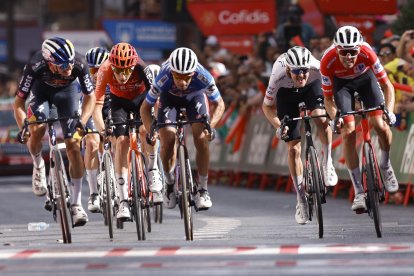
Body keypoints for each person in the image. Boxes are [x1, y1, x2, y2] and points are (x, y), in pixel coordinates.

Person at [13, 37, 96, 226]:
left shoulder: (79, 63)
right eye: (62, 65)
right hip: (41, 94)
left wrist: (82, 121)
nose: (68, 68)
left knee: (74, 146)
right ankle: (38, 165)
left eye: (70, 63)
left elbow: (90, 97)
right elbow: (18, 103)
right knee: (38, 128)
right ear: (50, 63)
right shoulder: (35, 65)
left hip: (68, 95)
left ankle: (76, 204)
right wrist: (23, 127)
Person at [321, 26, 398, 213]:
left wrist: (389, 111)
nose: (349, 56)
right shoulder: (327, 61)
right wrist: (335, 117)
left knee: (380, 124)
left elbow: (388, 86)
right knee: (348, 131)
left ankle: (386, 165)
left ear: (359, 48)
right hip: (342, 86)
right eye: (344, 52)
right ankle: (358, 192)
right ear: (337, 49)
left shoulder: (367, 53)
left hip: (366, 80)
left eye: (353, 51)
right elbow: (328, 99)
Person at [140, 47, 225, 210]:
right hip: (169, 100)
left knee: (200, 138)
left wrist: (211, 126)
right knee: (168, 140)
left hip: (195, 99)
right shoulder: (163, 77)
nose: (183, 82)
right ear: (172, 71)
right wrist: (151, 129)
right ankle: (170, 184)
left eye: (187, 77)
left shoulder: (203, 76)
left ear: (193, 72)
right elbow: (145, 108)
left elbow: (219, 104)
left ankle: (203, 189)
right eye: (178, 76)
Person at [262, 46, 337, 225]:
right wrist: (279, 126)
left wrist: (335, 116)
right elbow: (267, 107)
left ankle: (327, 163)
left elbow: (331, 95)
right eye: (297, 71)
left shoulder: (316, 68)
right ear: (288, 69)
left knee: (320, 116)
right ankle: (301, 198)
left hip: (312, 89)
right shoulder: (277, 74)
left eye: (304, 70)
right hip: (286, 96)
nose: (301, 75)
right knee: (293, 149)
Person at [92, 42, 162, 221]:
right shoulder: (105, 70)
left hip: (142, 100)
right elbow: (97, 105)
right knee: (121, 142)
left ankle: (153, 169)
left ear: (133, 66)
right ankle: (123, 201)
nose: (122, 76)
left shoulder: (141, 67)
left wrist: (156, 122)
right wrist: (102, 129)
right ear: (112, 66)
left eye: (126, 71)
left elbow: (156, 98)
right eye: (118, 71)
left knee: (145, 131)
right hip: (119, 103)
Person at [83, 47, 110, 213]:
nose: (96, 73)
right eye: (93, 69)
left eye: (100, 69)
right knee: (92, 143)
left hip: (111, 107)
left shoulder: (114, 73)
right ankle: (93, 192)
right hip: (92, 107)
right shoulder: (83, 77)